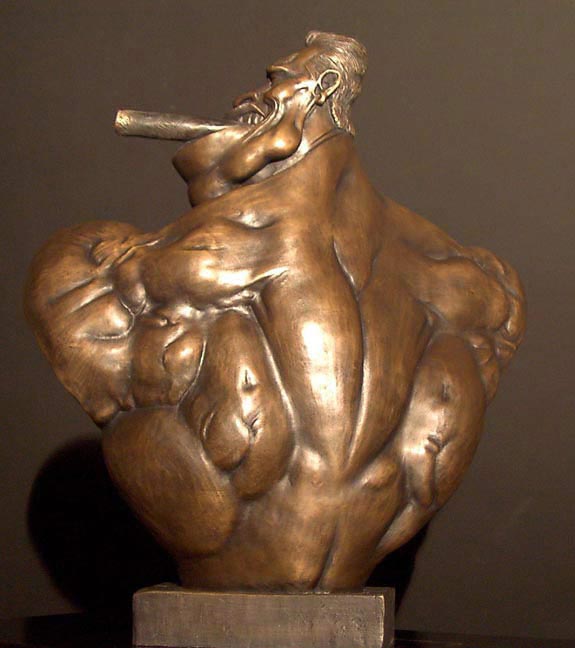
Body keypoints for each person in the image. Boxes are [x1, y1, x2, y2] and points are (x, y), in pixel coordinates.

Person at [26, 32, 525, 591]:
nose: (252, 97)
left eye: (276, 82)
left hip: (227, 556)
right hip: (356, 548)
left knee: (70, 269)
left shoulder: (205, 244)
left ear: (323, 89)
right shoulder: (455, 265)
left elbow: (95, 336)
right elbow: (495, 324)